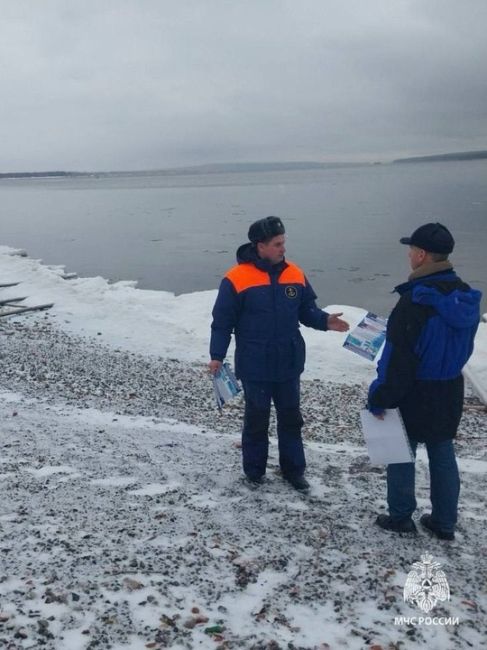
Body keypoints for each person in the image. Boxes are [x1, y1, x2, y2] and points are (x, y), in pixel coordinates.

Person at [209, 216, 349, 491]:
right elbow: (222, 322)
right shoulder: (236, 278)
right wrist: (216, 355)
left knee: (291, 418)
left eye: (284, 242)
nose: (283, 248)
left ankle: (294, 470)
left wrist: (324, 321)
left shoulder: (294, 274)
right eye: (277, 244)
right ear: (260, 246)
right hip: (254, 362)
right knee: (256, 418)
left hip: (288, 360)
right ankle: (254, 471)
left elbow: (306, 309)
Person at [368, 223, 481, 540]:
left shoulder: (415, 301)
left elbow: (398, 358)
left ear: (421, 255)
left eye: (411, 250)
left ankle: (401, 516)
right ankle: (445, 522)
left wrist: (380, 395)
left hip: (416, 388)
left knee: (400, 451)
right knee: (442, 452)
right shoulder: (465, 297)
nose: (408, 255)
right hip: (449, 385)